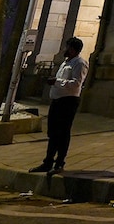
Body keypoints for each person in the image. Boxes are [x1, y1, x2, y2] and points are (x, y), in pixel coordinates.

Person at [29, 37, 89, 175]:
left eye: (66, 47)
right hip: (57, 100)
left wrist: (57, 81)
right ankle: (47, 162)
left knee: (62, 133)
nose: (64, 50)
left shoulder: (79, 63)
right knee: (53, 132)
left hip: (68, 102)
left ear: (72, 49)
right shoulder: (65, 63)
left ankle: (59, 163)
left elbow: (76, 83)